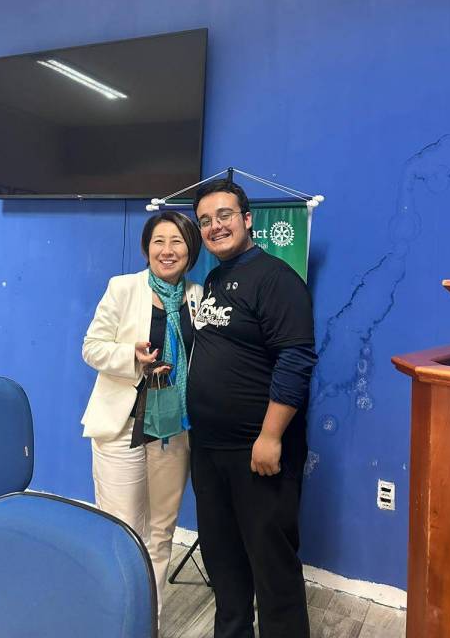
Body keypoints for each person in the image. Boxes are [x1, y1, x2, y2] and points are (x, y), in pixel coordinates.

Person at [187, 180, 317, 638]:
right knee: (223, 562)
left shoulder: (277, 279)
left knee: (272, 568)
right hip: (209, 451)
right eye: (205, 221)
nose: (214, 226)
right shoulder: (215, 278)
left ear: (247, 219)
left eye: (224, 215)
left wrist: (270, 436)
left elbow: (295, 360)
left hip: (256, 451)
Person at [81, 211, 202, 615]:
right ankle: (115, 617)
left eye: (177, 241)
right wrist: (131, 356)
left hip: (173, 428)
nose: (167, 250)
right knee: (123, 531)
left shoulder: (198, 296)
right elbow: (91, 348)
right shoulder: (123, 288)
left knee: (161, 531)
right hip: (124, 427)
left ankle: (148, 620)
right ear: (146, 248)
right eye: (158, 241)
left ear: (191, 249)